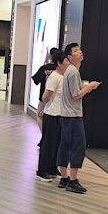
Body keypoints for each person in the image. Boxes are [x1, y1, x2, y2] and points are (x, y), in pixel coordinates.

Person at [55, 42, 100, 194]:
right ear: (69, 56)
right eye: (75, 51)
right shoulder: (73, 72)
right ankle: (72, 181)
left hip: (66, 115)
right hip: (73, 116)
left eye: (79, 49)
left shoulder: (70, 71)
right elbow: (75, 95)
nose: (79, 52)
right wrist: (90, 87)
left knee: (65, 145)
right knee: (77, 146)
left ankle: (64, 178)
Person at [36, 50, 67, 181]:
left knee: (57, 143)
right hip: (52, 114)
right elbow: (45, 97)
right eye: (66, 61)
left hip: (60, 114)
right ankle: (42, 170)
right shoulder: (54, 77)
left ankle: (52, 167)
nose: (68, 63)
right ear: (59, 63)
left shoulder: (63, 77)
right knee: (48, 143)